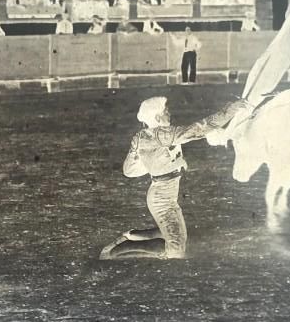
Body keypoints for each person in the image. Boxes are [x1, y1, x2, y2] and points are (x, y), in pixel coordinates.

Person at [100, 95, 250, 260]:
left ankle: (133, 235)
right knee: (176, 252)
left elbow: (129, 170)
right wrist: (229, 111)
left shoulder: (141, 136)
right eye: (165, 111)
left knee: (176, 235)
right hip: (162, 198)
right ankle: (123, 248)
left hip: (160, 193)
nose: (169, 113)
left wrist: (156, 164)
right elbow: (199, 129)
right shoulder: (163, 134)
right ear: (157, 117)